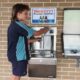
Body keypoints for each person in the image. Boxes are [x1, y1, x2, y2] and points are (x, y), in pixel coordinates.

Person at [7, 3, 49, 80]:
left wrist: (36, 40)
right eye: (25, 13)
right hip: (18, 56)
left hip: (16, 55)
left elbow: (22, 41)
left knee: (16, 75)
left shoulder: (14, 25)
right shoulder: (19, 25)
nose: (27, 16)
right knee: (16, 76)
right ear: (18, 14)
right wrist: (46, 29)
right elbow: (37, 33)